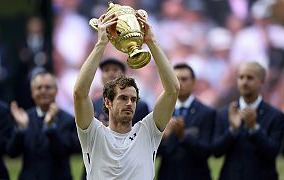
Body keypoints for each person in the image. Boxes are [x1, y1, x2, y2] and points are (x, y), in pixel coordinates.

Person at [73, 12, 179, 179]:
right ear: (107, 102)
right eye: (123, 98)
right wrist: (101, 43)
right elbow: (80, 93)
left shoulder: (148, 131)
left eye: (133, 99)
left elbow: (172, 90)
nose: (129, 103)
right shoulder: (93, 133)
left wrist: (151, 42)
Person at [212, 61, 284, 180]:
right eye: (241, 77)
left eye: (250, 78)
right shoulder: (225, 113)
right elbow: (216, 151)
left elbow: (273, 153)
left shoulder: (275, 116)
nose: (244, 82)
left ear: (262, 81)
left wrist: (254, 128)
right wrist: (232, 130)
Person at [6, 71, 80, 180]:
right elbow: (12, 153)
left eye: (48, 87)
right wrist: (21, 129)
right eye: (39, 88)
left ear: (56, 91)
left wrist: (51, 129)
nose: (43, 91)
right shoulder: (24, 118)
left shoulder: (68, 120)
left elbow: (67, 151)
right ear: (32, 93)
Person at [157, 63, 216, 180]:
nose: (179, 83)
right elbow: (152, 153)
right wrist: (162, 136)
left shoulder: (207, 113)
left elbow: (207, 151)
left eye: (184, 79)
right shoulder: (159, 112)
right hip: (168, 174)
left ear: (194, 82)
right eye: (175, 79)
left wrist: (184, 136)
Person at [94, 57, 149, 126]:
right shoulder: (93, 105)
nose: (111, 74)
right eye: (106, 70)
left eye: (115, 70)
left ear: (124, 75)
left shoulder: (140, 106)